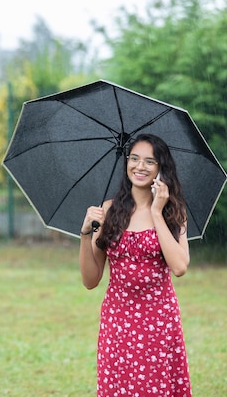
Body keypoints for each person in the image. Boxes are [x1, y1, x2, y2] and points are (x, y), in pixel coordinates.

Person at [79, 133, 192, 397]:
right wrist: (85, 234)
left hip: (158, 320)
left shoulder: (174, 211)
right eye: (134, 159)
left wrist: (156, 211)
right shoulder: (108, 211)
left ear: (161, 169)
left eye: (149, 161)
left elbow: (179, 266)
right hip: (117, 320)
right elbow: (90, 280)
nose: (139, 167)